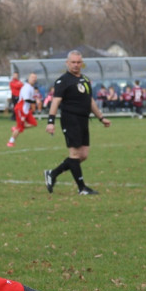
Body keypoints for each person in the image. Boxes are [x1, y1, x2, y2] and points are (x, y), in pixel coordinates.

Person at [44, 51, 112, 195]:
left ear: (82, 63)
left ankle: (53, 173)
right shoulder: (63, 81)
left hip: (83, 120)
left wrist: (101, 117)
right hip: (70, 119)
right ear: (67, 63)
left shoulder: (85, 79)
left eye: (78, 62)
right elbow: (55, 102)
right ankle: (82, 188)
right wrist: (51, 122)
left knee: (83, 155)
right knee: (75, 154)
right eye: (73, 62)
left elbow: (90, 101)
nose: (76, 65)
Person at [7, 72, 40, 147]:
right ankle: (10, 142)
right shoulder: (26, 87)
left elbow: (30, 98)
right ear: (28, 78)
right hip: (20, 109)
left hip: (26, 111)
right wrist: (35, 101)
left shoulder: (31, 87)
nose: (34, 79)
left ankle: (16, 128)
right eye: (32, 77)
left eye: (35, 77)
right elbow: (26, 99)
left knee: (34, 123)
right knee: (19, 128)